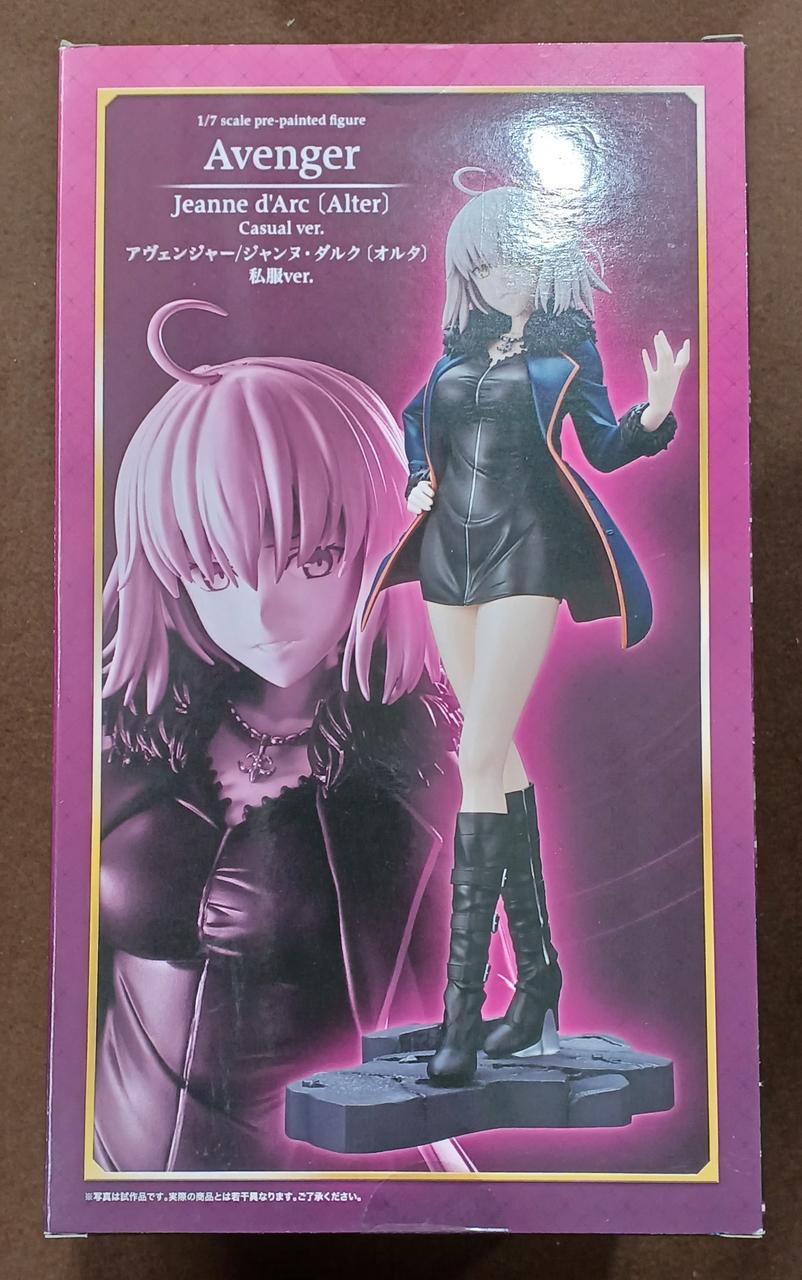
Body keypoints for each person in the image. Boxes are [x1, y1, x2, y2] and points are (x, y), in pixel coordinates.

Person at [95, 300, 459, 1171]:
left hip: (329, 1187)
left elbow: (463, 1006)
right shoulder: (132, 741)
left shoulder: (419, 771)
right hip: (110, 1174)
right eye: (213, 567)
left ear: (380, 544)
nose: (262, 610)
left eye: (314, 557)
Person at [363, 171, 691, 1087]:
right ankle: (539, 979)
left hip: (529, 554)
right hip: (446, 556)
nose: (496, 276)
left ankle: (461, 1016)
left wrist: (655, 411)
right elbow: (417, 423)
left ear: (542, 258)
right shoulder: (457, 353)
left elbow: (605, 446)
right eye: (481, 264)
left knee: (476, 754)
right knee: (495, 755)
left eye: (509, 259)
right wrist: (417, 479)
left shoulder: (567, 349)